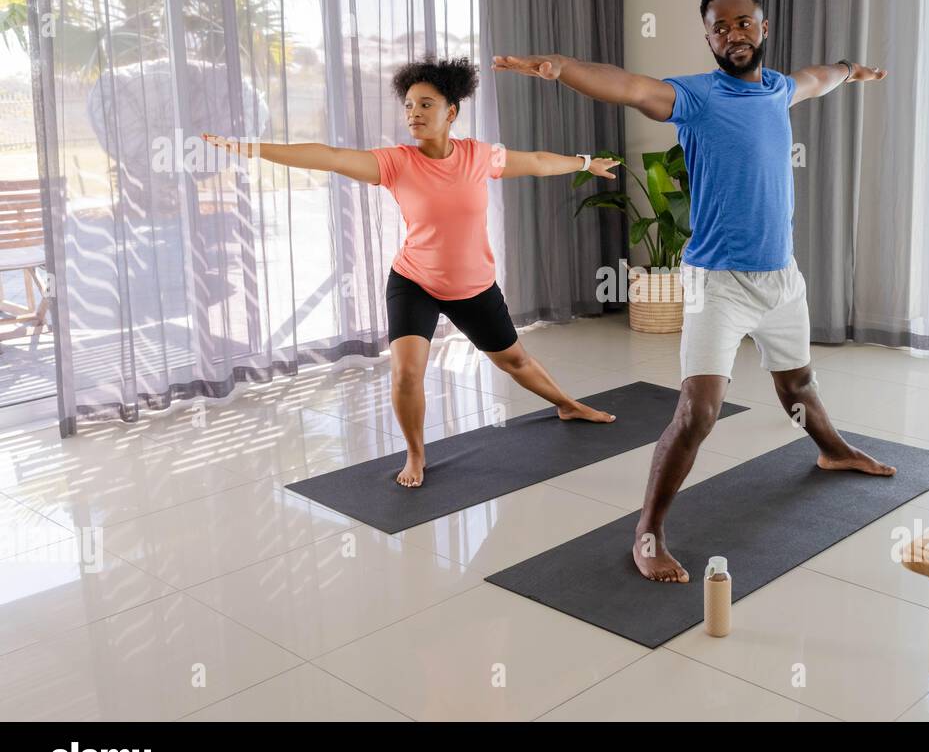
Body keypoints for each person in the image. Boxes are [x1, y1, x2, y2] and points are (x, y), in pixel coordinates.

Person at [494, 0, 897, 583]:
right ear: (708, 37)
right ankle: (648, 532)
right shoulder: (696, 97)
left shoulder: (779, 89)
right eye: (720, 27)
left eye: (743, 22)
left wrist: (850, 69)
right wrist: (562, 70)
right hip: (718, 284)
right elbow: (629, 86)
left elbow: (819, 77)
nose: (733, 34)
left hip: (782, 277)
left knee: (798, 385)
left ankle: (833, 450)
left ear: (763, 27)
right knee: (698, 413)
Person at [203, 56, 618, 489]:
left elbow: (534, 161)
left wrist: (586, 163)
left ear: (451, 111)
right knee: (405, 372)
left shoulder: (479, 155)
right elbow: (328, 156)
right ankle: (416, 454)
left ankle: (567, 404)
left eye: (425, 104)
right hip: (414, 280)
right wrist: (253, 148)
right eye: (407, 106)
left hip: (473, 285)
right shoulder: (395, 162)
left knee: (514, 360)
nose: (413, 114)